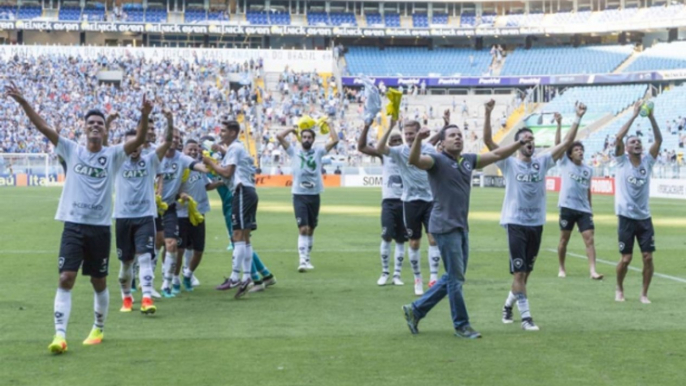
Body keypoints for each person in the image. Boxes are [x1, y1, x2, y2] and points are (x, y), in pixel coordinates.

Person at [6, 82, 150, 354]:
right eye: (91, 122)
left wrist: (144, 115)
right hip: (73, 226)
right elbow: (43, 128)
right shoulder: (72, 150)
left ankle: (98, 327)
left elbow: (140, 139)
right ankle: (60, 336)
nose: (95, 126)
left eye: (100, 123)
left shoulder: (114, 154)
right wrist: (24, 103)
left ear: (105, 130)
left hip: (100, 229)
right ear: (84, 127)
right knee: (65, 278)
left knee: (98, 282)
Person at [401, 120, 533, 339]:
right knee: (455, 278)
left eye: (459, 134)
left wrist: (518, 143)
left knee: (455, 276)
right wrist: (418, 139)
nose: (457, 137)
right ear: (441, 144)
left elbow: (498, 155)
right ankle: (462, 325)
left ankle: (415, 310)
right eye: (452, 135)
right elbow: (414, 160)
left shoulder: (468, 160)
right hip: (444, 226)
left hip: (461, 226)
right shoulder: (436, 160)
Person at [483, 99, 585, 331]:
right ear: (518, 144)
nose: (529, 142)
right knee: (519, 271)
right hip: (515, 222)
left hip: (536, 223)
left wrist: (577, 117)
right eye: (524, 139)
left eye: (531, 139)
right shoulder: (508, 163)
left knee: (525, 274)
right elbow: (489, 141)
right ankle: (527, 318)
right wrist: (488, 112)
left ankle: (508, 305)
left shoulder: (543, 161)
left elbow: (568, 142)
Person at [114, 108, 174, 315]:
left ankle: (146, 298)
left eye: (137, 143)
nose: (134, 147)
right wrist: (110, 122)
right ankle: (127, 299)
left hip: (145, 217)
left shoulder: (150, 161)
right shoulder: (117, 161)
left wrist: (170, 120)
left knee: (145, 257)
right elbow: (102, 145)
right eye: (130, 144)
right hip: (122, 217)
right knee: (126, 263)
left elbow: (167, 142)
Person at [377, 120, 441, 296]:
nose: (409, 137)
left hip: (429, 200)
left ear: (418, 132)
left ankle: (433, 277)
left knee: (433, 239)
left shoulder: (428, 149)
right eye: (407, 134)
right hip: (410, 202)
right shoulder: (399, 152)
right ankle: (417, 278)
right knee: (414, 242)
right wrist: (389, 127)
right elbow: (380, 147)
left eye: (412, 133)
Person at [614, 101, 662, 304]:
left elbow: (659, 140)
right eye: (632, 142)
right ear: (626, 147)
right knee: (626, 259)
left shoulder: (647, 162)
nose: (637, 144)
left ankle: (644, 294)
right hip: (626, 217)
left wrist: (651, 116)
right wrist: (633, 115)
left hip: (644, 218)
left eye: (638, 142)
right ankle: (619, 288)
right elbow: (618, 137)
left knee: (648, 258)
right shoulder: (621, 161)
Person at [205, 121, 259, 299]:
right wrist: (219, 151)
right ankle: (246, 277)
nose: (221, 134)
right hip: (248, 191)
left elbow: (227, 173)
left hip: (242, 191)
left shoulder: (235, 148)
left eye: (224, 131)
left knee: (237, 235)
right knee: (244, 236)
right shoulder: (236, 148)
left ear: (234, 132)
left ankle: (236, 277)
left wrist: (210, 164)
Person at [276, 121, 339, 272]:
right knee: (303, 228)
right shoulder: (293, 151)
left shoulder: (318, 152)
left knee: (311, 229)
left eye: (309, 137)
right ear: (300, 138)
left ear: (313, 139)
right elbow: (279, 136)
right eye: (304, 137)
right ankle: (302, 261)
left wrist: (330, 125)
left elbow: (335, 140)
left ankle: (307, 259)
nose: (306, 139)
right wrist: (292, 128)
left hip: (314, 194)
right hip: (299, 195)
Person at [158, 128, 210, 298]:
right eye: (172, 137)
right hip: (151, 207)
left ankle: (170, 281)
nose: (175, 140)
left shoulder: (183, 159)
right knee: (149, 248)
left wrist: (208, 166)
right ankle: (141, 282)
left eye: (178, 137)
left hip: (172, 208)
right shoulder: (154, 156)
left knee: (174, 245)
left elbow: (198, 166)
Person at [553, 112, 603, 280]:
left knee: (589, 239)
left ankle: (593, 271)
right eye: (576, 150)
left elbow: (587, 189)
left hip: (583, 209)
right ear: (570, 154)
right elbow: (557, 145)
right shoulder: (565, 163)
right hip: (567, 207)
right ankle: (561, 267)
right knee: (563, 240)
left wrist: (590, 207)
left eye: (581, 149)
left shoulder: (588, 170)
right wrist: (559, 125)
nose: (580, 152)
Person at [357, 119, 406, 286]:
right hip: (389, 202)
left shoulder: (407, 154)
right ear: (388, 143)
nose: (397, 143)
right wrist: (369, 125)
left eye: (400, 140)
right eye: (394, 141)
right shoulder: (384, 155)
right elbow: (362, 146)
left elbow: (431, 144)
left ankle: (397, 275)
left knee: (401, 239)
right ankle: (385, 272)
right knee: (386, 236)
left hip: (406, 201)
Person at [176, 139, 222, 292]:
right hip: (182, 213)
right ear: (183, 150)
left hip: (199, 212)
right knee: (180, 248)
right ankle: (174, 278)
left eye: (196, 149)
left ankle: (188, 274)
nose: (194, 152)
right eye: (190, 149)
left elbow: (207, 186)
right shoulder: (180, 167)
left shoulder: (199, 168)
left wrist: (221, 182)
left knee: (198, 249)